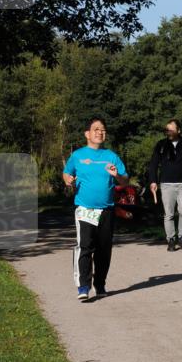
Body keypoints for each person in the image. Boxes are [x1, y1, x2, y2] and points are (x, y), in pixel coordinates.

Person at [62, 117, 129, 301]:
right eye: (96, 129)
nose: (100, 132)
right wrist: (68, 180)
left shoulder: (111, 156)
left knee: (104, 250)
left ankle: (100, 284)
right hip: (85, 209)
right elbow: (67, 172)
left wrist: (117, 176)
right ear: (87, 134)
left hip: (107, 210)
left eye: (103, 130)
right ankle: (83, 286)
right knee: (85, 247)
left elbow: (125, 180)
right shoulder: (78, 155)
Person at [148, 119, 182, 252]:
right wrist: (153, 181)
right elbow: (153, 165)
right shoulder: (161, 145)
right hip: (166, 185)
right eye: (167, 129)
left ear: (178, 130)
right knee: (169, 214)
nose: (169, 131)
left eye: (172, 129)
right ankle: (171, 239)